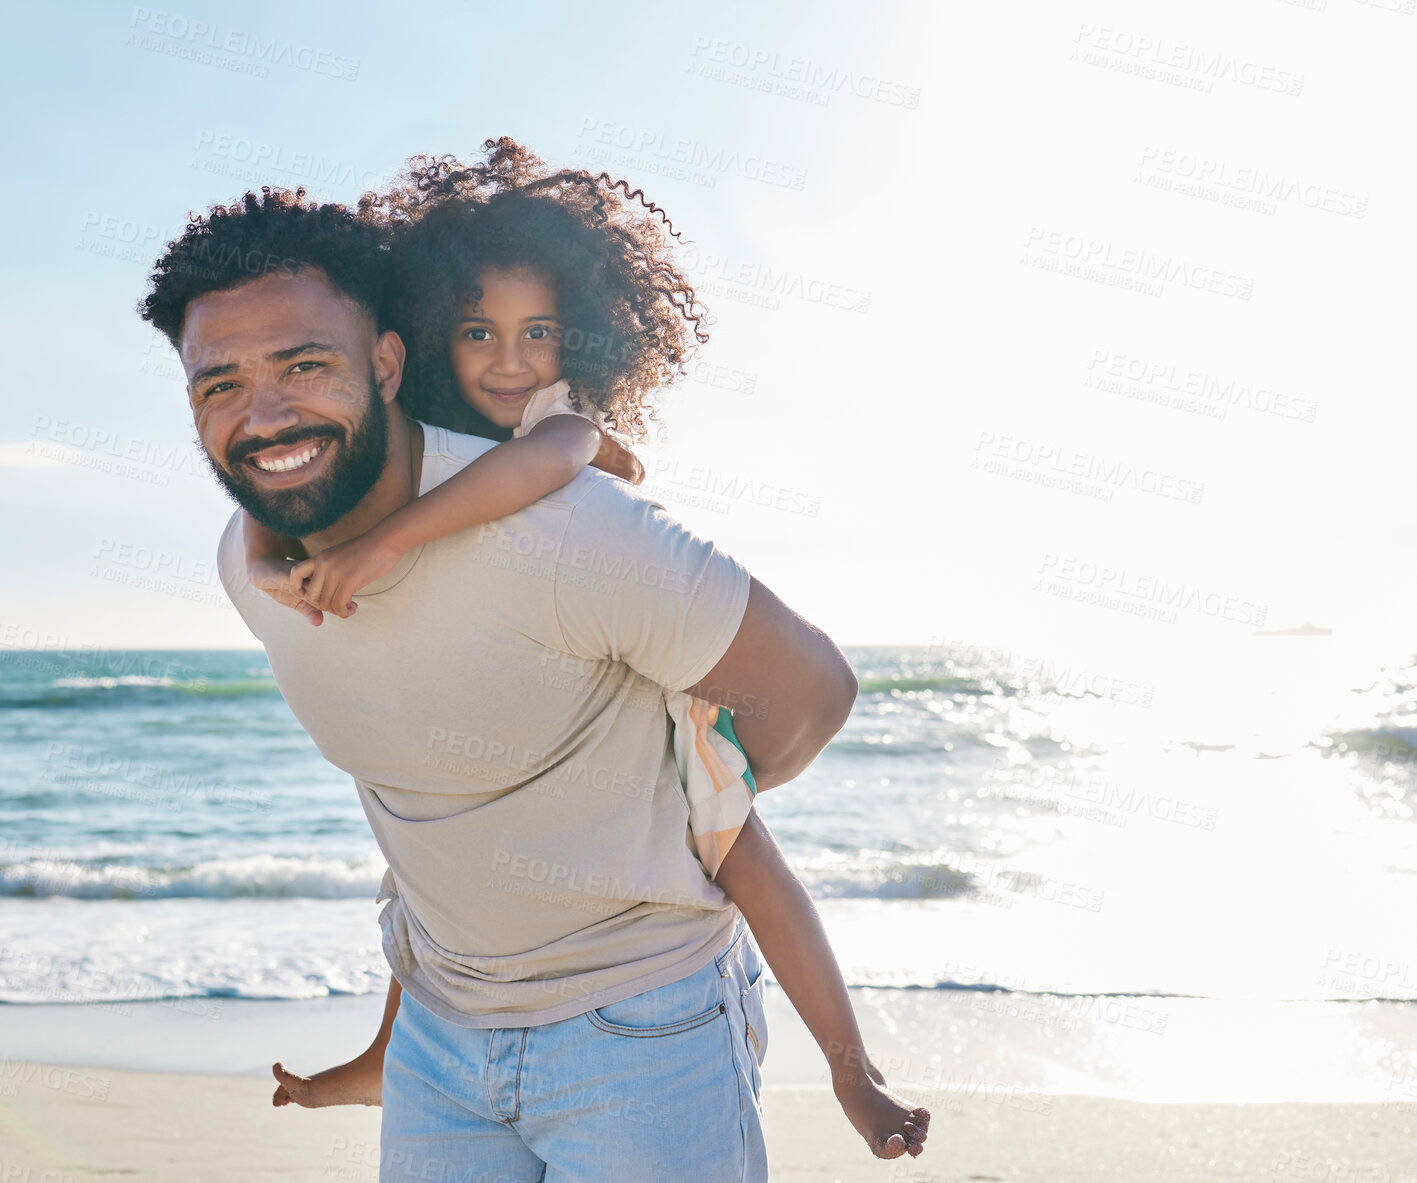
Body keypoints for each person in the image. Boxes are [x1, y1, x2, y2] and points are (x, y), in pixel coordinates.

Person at [140, 162, 926, 1181]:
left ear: (385, 361)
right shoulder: (251, 567)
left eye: (302, 365)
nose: (267, 414)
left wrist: (684, 798)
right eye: (222, 384)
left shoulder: (569, 528)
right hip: (439, 1039)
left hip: (642, 1034)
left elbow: (814, 695)